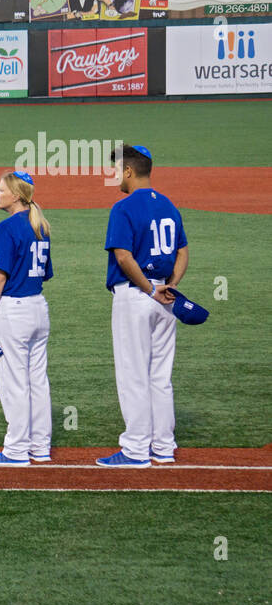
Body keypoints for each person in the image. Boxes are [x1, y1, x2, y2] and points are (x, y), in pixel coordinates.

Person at [98, 145, 189, 468]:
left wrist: (149, 289)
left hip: (137, 296)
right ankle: (163, 446)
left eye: (116, 170)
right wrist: (171, 287)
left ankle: (136, 448)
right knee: (160, 376)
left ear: (128, 171)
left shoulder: (122, 208)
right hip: (166, 299)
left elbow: (123, 256)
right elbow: (182, 252)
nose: (114, 176)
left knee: (133, 373)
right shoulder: (169, 205)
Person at [0, 171, 53, 467]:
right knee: (37, 380)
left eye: (0, 189)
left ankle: (16, 450)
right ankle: (40, 446)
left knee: (14, 382)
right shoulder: (41, 226)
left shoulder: (7, 227)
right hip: (38, 307)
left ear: (16, 195)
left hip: (15, 310)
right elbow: (44, 273)